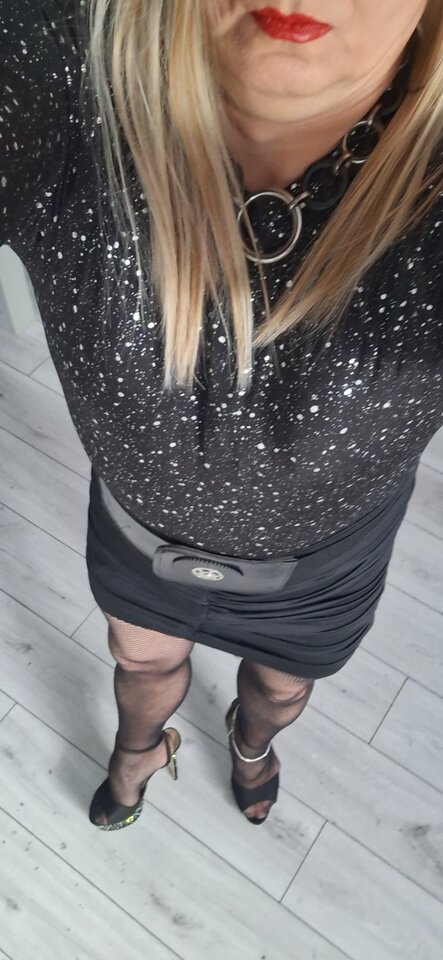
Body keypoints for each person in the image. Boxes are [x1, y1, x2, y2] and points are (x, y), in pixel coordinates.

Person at [1, 0, 442, 832]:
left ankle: (250, 743)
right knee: (138, 664)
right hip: (138, 547)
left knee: (279, 687)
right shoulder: (63, 83)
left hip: (322, 576)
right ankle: (138, 751)